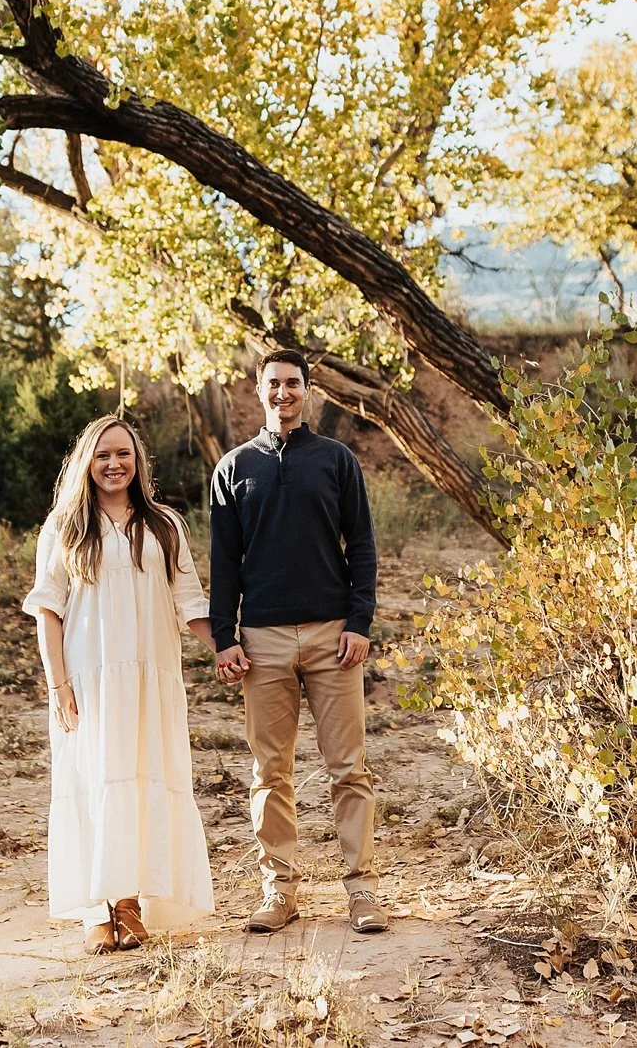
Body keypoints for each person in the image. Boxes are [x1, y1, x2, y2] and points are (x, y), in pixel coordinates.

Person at [209, 349, 387, 935]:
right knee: (269, 773)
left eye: (292, 384)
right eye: (272, 385)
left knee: (348, 769)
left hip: (332, 637)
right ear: (257, 392)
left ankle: (361, 891)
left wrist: (359, 622)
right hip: (261, 640)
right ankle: (279, 892)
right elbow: (224, 562)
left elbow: (361, 545)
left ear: (307, 391)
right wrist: (223, 638)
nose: (282, 393)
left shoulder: (336, 461)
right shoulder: (233, 468)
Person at [25, 415, 216, 955]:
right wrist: (58, 684)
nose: (114, 464)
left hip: (151, 676)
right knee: (94, 781)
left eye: (124, 454)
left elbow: (190, 604)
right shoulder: (64, 527)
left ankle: (129, 902)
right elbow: (47, 611)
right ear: (87, 461)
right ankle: (95, 908)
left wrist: (227, 647)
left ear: (138, 463)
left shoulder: (164, 526)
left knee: (140, 776)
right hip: (88, 678)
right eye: (104, 454)